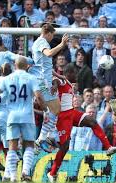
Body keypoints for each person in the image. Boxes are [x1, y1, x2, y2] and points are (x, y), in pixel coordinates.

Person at [47, 64, 116, 183]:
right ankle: (53, 172)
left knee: (92, 121)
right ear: (68, 73)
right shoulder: (61, 80)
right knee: (65, 146)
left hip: (72, 113)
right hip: (63, 117)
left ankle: (108, 147)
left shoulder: (70, 84)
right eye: (74, 73)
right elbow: (55, 81)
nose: (76, 75)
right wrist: (54, 85)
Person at [0, 56, 48, 183]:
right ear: (26, 66)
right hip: (27, 115)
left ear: (15, 66)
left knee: (12, 146)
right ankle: (25, 172)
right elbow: (39, 97)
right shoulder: (31, 78)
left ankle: (12, 176)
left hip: (12, 116)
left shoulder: (7, 79)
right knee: (29, 144)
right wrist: (45, 110)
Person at [31, 23, 68, 151]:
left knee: (53, 110)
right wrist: (62, 45)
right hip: (43, 82)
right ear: (48, 33)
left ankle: (44, 137)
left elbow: (45, 66)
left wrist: (59, 76)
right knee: (56, 109)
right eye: (52, 35)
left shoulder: (39, 42)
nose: (52, 38)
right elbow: (49, 53)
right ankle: (44, 137)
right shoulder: (42, 42)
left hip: (44, 80)